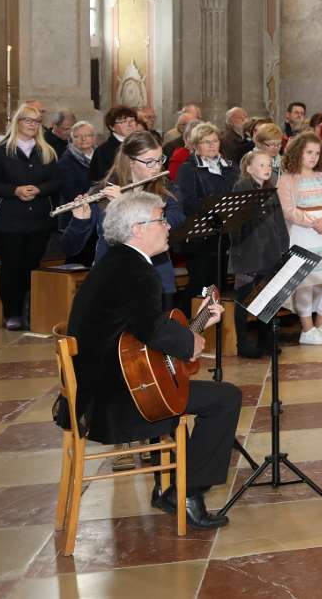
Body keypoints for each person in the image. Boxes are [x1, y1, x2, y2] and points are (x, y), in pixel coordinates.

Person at [64, 192, 240, 530]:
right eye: (161, 219)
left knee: (182, 389)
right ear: (137, 229)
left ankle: (169, 486)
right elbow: (151, 329)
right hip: (116, 401)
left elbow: (141, 330)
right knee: (225, 398)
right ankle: (186, 492)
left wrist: (191, 331)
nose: (167, 225)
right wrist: (192, 340)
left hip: (100, 386)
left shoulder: (116, 263)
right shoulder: (136, 272)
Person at [61, 130, 186, 310]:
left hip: (157, 277)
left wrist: (125, 204)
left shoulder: (165, 188)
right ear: (130, 162)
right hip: (112, 278)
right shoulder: (102, 192)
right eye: (149, 162)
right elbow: (69, 247)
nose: (157, 167)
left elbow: (177, 220)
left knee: (158, 335)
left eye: (160, 160)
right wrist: (80, 222)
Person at [0, 105, 62, 329]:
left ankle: (30, 313)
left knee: (31, 266)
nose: (32, 125)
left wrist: (39, 189)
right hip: (7, 221)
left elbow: (57, 181)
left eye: (37, 121)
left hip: (39, 220)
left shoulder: (46, 151)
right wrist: (15, 191)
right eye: (28, 120)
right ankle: (12, 314)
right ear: (17, 122)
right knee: (11, 267)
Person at [279, 131, 322, 345]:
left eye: (317, 153)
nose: (314, 157)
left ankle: (321, 325)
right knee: (305, 283)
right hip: (302, 234)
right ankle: (306, 329)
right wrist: (313, 222)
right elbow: (289, 210)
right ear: (298, 153)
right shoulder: (287, 179)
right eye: (309, 152)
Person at [228, 150, 286, 358]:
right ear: (249, 168)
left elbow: (279, 221)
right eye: (261, 165)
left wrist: (283, 246)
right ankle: (242, 343)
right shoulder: (242, 187)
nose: (267, 169)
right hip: (248, 252)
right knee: (245, 297)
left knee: (267, 298)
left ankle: (266, 339)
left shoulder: (270, 188)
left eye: (269, 165)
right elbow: (236, 224)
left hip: (269, 252)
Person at [174, 122, 238, 304]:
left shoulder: (230, 167)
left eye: (215, 141)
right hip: (199, 237)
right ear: (195, 145)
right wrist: (215, 213)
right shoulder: (188, 169)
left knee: (219, 285)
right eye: (205, 142)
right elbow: (188, 203)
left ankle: (213, 325)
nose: (212, 145)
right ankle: (189, 323)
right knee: (201, 286)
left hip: (224, 235)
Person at [56, 120, 100, 264]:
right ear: (71, 139)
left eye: (88, 135)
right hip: (76, 218)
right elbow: (71, 192)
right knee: (79, 261)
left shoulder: (101, 156)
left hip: (99, 217)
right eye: (78, 136)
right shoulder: (65, 162)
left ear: (94, 138)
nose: (83, 139)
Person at [91, 106, 141, 180]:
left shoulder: (141, 144)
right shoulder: (103, 151)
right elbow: (103, 179)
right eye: (123, 122)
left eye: (132, 120)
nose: (130, 124)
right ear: (112, 127)